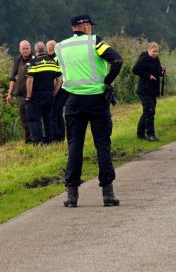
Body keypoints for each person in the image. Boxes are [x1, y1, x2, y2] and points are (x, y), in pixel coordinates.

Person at [55, 14, 123, 207]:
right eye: (89, 26)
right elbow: (117, 61)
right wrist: (107, 82)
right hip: (96, 99)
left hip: (73, 101)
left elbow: (58, 71)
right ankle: (108, 193)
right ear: (84, 26)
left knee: (74, 146)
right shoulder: (95, 42)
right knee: (102, 144)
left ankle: (72, 195)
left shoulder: (60, 47)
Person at [25, 42, 62, 144]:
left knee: (34, 118)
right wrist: (54, 92)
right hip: (49, 95)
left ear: (36, 51)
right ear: (45, 50)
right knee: (48, 118)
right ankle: (50, 139)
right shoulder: (52, 62)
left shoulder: (34, 62)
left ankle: (38, 141)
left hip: (36, 95)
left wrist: (28, 96)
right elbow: (59, 79)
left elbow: (30, 79)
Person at [132, 42, 165, 142]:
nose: (155, 53)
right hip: (144, 90)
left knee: (148, 111)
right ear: (149, 50)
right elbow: (135, 69)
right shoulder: (144, 58)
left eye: (157, 51)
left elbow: (158, 72)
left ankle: (140, 134)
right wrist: (148, 76)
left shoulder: (156, 59)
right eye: (153, 51)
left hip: (153, 90)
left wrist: (162, 72)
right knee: (150, 111)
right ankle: (150, 134)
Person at [6, 40, 34, 143]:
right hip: (20, 95)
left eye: (27, 48)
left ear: (30, 48)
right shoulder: (17, 60)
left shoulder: (34, 59)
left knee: (33, 117)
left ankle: (35, 138)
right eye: (23, 48)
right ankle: (28, 139)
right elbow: (13, 78)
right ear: (20, 49)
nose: (25, 50)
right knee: (24, 119)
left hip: (33, 95)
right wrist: (10, 93)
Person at [47, 39, 68, 142]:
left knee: (55, 113)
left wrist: (54, 91)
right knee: (59, 113)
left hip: (59, 87)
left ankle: (57, 137)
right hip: (66, 86)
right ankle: (61, 136)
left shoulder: (54, 59)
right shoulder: (63, 57)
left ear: (50, 49)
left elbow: (56, 77)